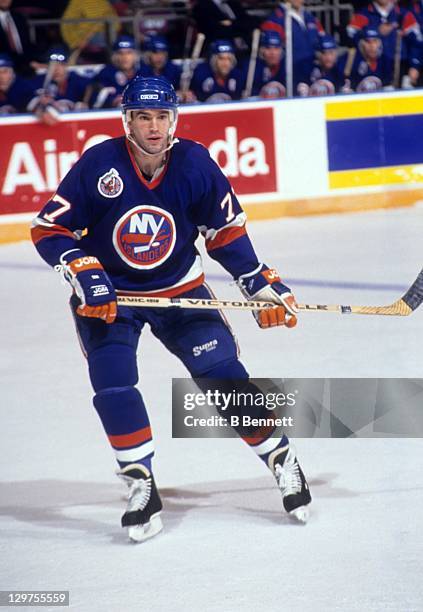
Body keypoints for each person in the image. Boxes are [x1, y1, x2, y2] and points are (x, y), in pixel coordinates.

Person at [31, 76, 311, 543]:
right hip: (112, 300)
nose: (155, 127)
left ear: (173, 119)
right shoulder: (99, 164)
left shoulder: (194, 163)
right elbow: (48, 228)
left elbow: (224, 232)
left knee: (223, 376)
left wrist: (256, 280)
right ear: (127, 120)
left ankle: (281, 456)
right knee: (114, 384)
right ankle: (140, 481)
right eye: (144, 117)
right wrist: (82, 268)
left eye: (162, 116)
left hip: (180, 291)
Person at [347, 0, 422, 87]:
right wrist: (376, 32)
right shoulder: (363, 14)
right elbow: (351, 38)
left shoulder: (403, 14)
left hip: (400, 66)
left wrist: (414, 66)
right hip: (372, 68)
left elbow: (417, 42)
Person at [261, 0, 326, 92]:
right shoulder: (276, 20)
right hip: (288, 78)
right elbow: (271, 55)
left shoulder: (311, 18)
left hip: (312, 75)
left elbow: (322, 44)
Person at [29, 47, 91, 125]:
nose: (56, 69)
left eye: (61, 65)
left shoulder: (78, 80)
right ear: (46, 67)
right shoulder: (39, 82)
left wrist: (86, 102)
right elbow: (27, 98)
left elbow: (94, 89)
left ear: (67, 66)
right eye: (52, 65)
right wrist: (39, 109)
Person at [90, 35, 139, 109]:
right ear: (114, 56)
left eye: (129, 53)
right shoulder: (105, 74)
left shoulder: (144, 73)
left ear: (135, 55)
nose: (125, 57)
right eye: (120, 53)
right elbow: (95, 102)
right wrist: (112, 101)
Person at [344, 26, 394, 92]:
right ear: (361, 44)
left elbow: (388, 87)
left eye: (375, 41)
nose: (372, 46)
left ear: (380, 43)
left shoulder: (386, 61)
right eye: (368, 42)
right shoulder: (351, 60)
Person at [242, 30, 286, 99]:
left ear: (281, 50)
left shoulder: (288, 67)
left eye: (276, 48)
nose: (273, 53)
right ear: (262, 51)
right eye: (268, 48)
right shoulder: (252, 68)